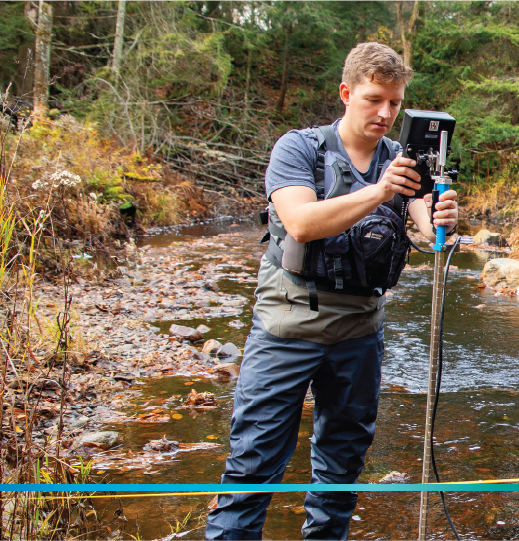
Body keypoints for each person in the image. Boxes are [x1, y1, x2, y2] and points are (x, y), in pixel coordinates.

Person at [205, 42, 459, 541]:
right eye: (373, 99)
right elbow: (299, 223)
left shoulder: (404, 159)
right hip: (287, 327)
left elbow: (426, 231)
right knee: (254, 462)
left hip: (360, 333)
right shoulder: (299, 149)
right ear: (346, 93)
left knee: (341, 467)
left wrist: (442, 223)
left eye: (394, 102)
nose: (385, 113)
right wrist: (381, 190)